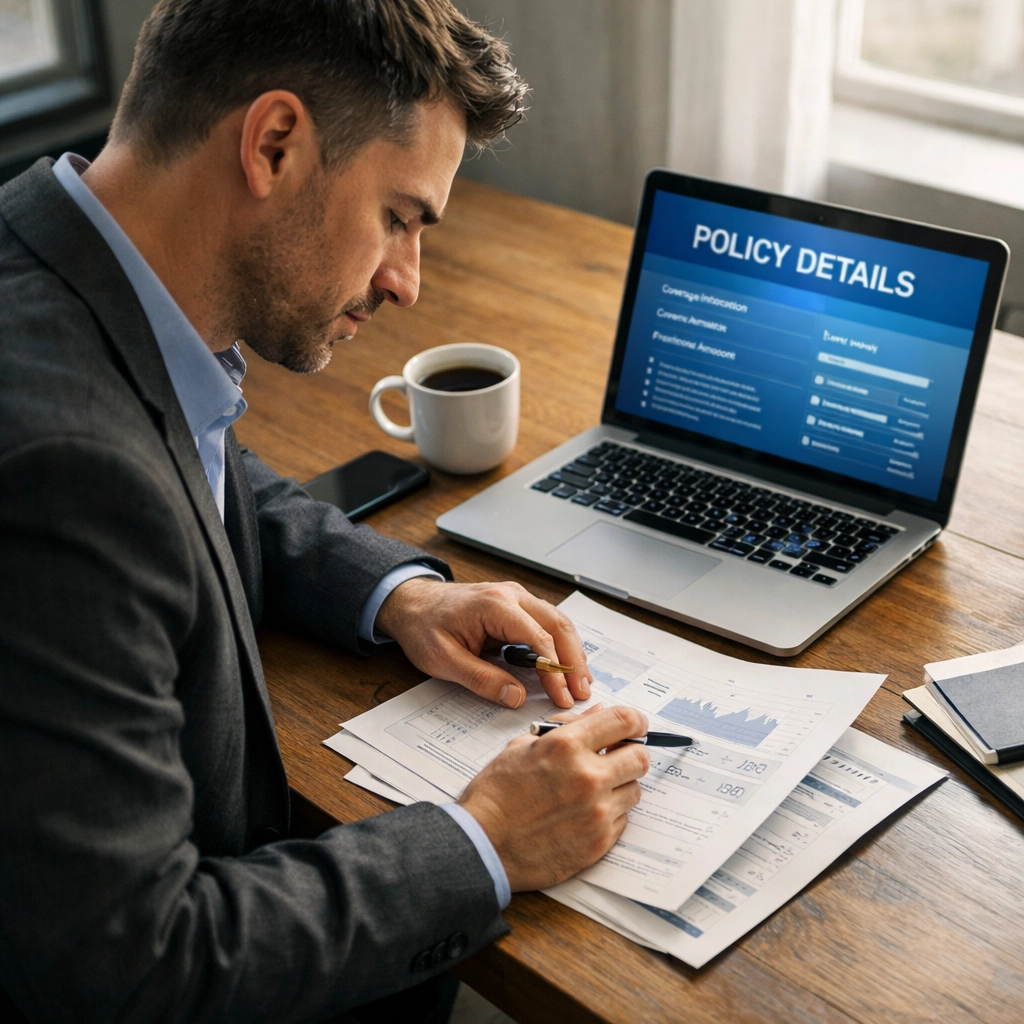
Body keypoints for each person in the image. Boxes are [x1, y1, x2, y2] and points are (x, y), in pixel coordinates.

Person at [0, 2, 652, 1021]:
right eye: (400, 217)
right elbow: (132, 965)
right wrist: (482, 837)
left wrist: (397, 597)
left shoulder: (49, 263)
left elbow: (191, 455)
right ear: (274, 143)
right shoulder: (65, 470)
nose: (406, 282)